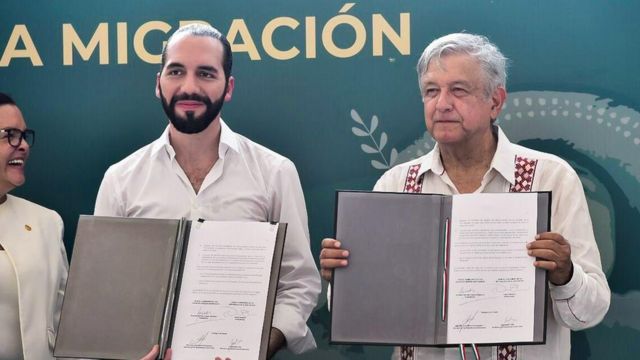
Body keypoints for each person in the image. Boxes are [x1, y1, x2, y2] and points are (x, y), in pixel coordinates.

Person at [319, 33, 610, 359]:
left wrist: (564, 274)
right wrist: (344, 280)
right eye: (431, 91)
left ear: (495, 102)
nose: (442, 103)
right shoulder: (396, 184)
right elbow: (367, 314)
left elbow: (590, 312)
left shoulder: (551, 177)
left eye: (458, 90)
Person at [94, 24, 321, 358]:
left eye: (205, 73)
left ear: (228, 87)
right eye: (176, 71)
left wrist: (254, 350)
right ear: (158, 84)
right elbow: (103, 290)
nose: (189, 86)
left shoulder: (275, 173)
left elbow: (298, 284)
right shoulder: (121, 180)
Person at [0, 92, 68, 360]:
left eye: (24, 135)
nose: (24, 145)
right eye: (10, 135)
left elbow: (67, 324)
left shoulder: (47, 222)